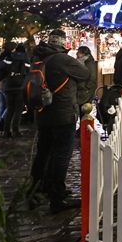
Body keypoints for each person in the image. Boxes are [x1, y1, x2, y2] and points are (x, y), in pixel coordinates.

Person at [29, 30, 90, 213]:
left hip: (43, 112)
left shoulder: (39, 58)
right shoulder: (63, 59)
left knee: (44, 152)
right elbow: (85, 74)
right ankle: (57, 195)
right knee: (61, 155)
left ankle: (36, 189)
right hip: (63, 114)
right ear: (63, 43)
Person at [2, 45, 29, 138]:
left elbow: (2, 69)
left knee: (9, 109)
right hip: (20, 87)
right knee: (18, 110)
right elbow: (29, 73)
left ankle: (5, 131)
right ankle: (15, 130)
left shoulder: (9, 58)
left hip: (8, 86)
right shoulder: (26, 60)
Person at [75, 45, 98, 117]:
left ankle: (84, 125)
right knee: (80, 108)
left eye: (78, 52)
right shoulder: (79, 62)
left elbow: (93, 77)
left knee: (84, 108)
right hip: (80, 89)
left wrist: (87, 87)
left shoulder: (89, 63)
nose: (77, 54)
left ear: (84, 53)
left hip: (85, 90)